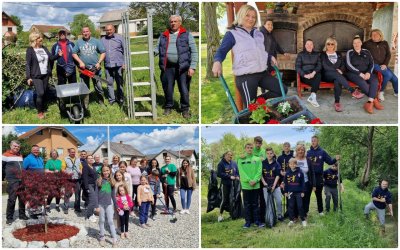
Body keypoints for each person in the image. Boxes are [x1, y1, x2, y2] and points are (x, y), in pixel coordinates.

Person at [212, 5, 286, 109]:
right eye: (248, 15)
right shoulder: (232, 34)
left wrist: (269, 57)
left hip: (262, 73)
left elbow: (260, 51)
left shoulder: (258, 34)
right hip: (246, 77)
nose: (251, 19)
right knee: (252, 110)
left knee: (282, 89)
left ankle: (258, 102)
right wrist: (217, 61)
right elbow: (221, 50)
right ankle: (254, 108)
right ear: (241, 15)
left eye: (254, 17)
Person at [155, 15, 198, 118]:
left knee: (184, 89)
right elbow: (157, 48)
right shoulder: (163, 35)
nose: (173, 23)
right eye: (171, 22)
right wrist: (152, 52)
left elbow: (194, 52)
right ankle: (169, 106)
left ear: (180, 23)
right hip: (167, 67)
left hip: (183, 67)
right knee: (168, 88)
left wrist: (192, 67)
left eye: (175, 21)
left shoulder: (187, 35)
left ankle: (185, 109)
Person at [321, 37, 364, 112]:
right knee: (337, 76)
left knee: (337, 80)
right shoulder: (323, 54)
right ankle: (352, 90)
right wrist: (336, 71)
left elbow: (343, 64)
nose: (330, 45)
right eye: (328, 44)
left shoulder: (338, 54)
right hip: (326, 75)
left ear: (335, 45)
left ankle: (337, 102)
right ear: (326, 45)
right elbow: (325, 66)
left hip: (337, 76)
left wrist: (341, 70)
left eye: (332, 44)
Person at [345, 35, 384, 114]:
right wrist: (360, 74)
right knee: (362, 82)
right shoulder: (350, 52)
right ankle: (375, 100)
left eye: (358, 42)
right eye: (354, 43)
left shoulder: (366, 51)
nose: (356, 44)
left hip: (367, 73)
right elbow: (348, 65)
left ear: (361, 43)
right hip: (353, 73)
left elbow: (372, 63)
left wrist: (369, 72)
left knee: (374, 81)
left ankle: (369, 102)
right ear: (353, 45)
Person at [72, 26, 106, 108]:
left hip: (95, 69)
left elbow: (103, 52)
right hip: (84, 70)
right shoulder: (79, 42)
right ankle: (85, 104)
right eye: (84, 32)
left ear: (90, 32)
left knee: (99, 87)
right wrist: (80, 62)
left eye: (87, 31)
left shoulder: (96, 41)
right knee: (84, 87)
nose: (85, 33)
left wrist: (99, 62)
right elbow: (73, 53)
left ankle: (101, 102)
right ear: (82, 33)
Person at [26, 32, 58, 119]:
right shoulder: (30, 50)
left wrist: (58, 55)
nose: (41, 39)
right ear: (35, 40)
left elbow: (51, 58)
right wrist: (28, 77)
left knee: (44, 93)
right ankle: (40, 112)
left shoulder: (44, 48)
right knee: (40, 93)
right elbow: (28, 64)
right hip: (36, 75)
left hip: (45, 74)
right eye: (39, 38)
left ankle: (42, 107)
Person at [306, 135, 339, 215]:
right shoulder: (308, 153)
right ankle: (305, 211)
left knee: (318, 195)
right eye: (312, 141)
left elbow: (330, 161)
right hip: (309, 176)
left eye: (315, 140)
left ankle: (320, 211)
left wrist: (335, 159)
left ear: (318, 141)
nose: (313, 142)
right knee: (307, 195)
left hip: (318, 176)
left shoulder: (322, 152)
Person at [363, 29, 398, 101]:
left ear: (380, 35)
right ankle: (381, 91)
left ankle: (397, 92)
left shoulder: (384, 43)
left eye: (376, 34)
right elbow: (362, 52)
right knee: (388, 75)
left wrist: (385, 64)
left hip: (383, 64)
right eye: (373, 35)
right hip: (373, 64)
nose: (374, 36)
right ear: (370, 36)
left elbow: (388, 54)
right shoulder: (367, 43)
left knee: (395, 79)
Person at [237, 143, 264, 229]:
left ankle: (257, 221)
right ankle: (248, 222)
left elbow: (259, 171)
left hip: (255, 185)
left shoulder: (258, 159)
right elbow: (241, 171)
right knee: (247, 204)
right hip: (246, 185)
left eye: (251, 148)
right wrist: (249, 180)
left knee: (256, 203)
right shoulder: (240, 159)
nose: (249, 149)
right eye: (248, 148)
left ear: (253, 149)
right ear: (245, 149)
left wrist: (255, 180)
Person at [3, 140, 29, 225]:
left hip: (22, 180)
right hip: (12, 181)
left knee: (22, 199)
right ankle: (9, 218)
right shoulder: (5, 155)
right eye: (15, 146)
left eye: (18, 147)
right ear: (11, 146)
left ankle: (22, 215)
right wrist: (4, 178)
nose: (16, 148)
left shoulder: (20, 155)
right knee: (12, 199)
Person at [101, 24, 125, 106]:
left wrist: (124, 63)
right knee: (109, 83)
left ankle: (120, 98)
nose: (108, 31)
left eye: (110, 30)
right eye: (107, 30)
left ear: (114, 29)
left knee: (119, 82)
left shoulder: (120, 38)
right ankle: (112, 100)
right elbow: (100, 52)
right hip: (108, 66)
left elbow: (126, 51)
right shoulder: (102, 40)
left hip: (119, 65)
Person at [296, 39, 322, 107]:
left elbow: (319, 65)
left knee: (318, 75)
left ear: (313, 46)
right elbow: (297, 67)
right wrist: (304, 75)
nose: (309, 46)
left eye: (311, 44)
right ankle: (312, 97)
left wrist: (313, 73)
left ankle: (312, 97)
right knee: (317, 81)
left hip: (314, 74)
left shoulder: (316, 54)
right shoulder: (301, 54)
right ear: (305, 46)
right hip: (305, 76)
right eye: (307, 44)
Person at [96, 165, 117, 247]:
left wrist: (116, 206)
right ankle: (102, 237)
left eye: (107, 170)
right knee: (101, 220)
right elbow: (96, 193)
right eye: (104, 171)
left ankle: (114, 239)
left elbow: (113, 195)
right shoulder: (98, 181)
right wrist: (96, 205)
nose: (106, 172)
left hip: (109, 204)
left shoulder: (112, 181)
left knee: (111, 221)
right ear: (102, 172)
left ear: (110, 171)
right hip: (100, 204)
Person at [261, 148, 283, 221]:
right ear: (266, 154)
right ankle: (271, 216)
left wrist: (274, 185)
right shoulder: (262, 163)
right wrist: (265, 184)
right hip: (266, 187)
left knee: (279, 201)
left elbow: (278, 175)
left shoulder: (276, 163)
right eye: (268, 153)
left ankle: (279, 215)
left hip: (276, 186)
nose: (269, 155)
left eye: (271, 153)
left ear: (273, 154)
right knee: (268, 202)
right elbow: (260, 174)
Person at [216, 151, 239, 222]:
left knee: (233, 199)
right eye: (229, 155)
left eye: (231, 155)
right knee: (225, 199)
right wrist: (229, 177)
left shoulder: (234, 163)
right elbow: (219, 174)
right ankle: (220, 215)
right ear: (225, 155)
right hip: (225, 184)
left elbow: (237, 172)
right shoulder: (221, 164)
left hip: (234, 184)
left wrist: (238, 176)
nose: (230, 156)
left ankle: (232, 214)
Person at [284, 158, 306, 227]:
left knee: (300, 206)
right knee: (291, 206)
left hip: (299, 192)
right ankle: (291, 220)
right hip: (290, 192)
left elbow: (302, 183)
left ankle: (303, 220)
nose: (292, 165)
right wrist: (285, 192)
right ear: (289, 165)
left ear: (296, 164)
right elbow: (286, 183)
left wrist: (302, 191)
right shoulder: (287, 173)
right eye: (291, 164)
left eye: (294, 164)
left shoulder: (300, 172)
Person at [295, 143, 315, 218]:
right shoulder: (293, 159)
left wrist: (314, 185)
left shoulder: (308, 160)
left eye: (302, 150)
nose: (301, 151)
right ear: (296, 151)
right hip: (296, 184)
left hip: (306, 183)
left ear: (304, 151)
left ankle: (305, 213)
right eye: (299, 150)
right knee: (297, 199)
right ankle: (296, 214)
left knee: (306, 199)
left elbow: (312, 173)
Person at [62, 148, 83, 214]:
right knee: (67, 194)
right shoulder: (65, 159)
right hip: (68, 179)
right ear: (69, 152)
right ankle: (66, 208)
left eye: (74, 152)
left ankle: (77, 207)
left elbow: (80, 167)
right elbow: (62, 168)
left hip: (77, 179)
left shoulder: (78, 159)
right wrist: (66, 173)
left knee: (78, 194)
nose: (73, 153)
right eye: (72, 152)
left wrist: (81, 172)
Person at [277, 142, 293, 218]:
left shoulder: (293, 156)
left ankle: (289, 211)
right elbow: (278, 167)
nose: (286, 148)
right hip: (282, 179)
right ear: (283, 148)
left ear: (290, 147)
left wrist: (288, 173)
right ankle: (284, 212)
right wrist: (281, 172)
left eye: (288, 146)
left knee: (289, 195)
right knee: (284, 194)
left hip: (290, 179)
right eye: (285, 146)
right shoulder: (280, 158)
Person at [82, 155, 98, 222]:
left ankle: (91, 213)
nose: (91, 159)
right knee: (92, 200)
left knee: (93, 200)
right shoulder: (85, 167)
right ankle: (89, 215)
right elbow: (84, 177)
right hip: (89, 185)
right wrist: (86, 188)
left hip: (94, 185)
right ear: (86, 160)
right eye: (89, 158)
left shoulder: (93, 166)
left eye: (92, 158)